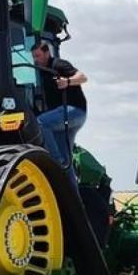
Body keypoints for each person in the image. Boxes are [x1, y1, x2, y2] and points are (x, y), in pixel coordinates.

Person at [31, 41, 88, 187]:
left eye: (38, 56)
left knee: (41, 122)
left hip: (74, 111)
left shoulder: (58, 65)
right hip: (61, 118)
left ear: (47, 53)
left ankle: (55, 162)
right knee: (67, 164)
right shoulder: (41, 71)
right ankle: (74, 204)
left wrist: (67, 81)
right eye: (34, 57)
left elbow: (82, 77)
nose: (36, 60)